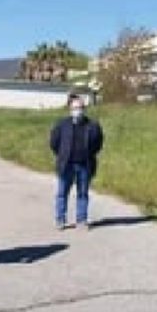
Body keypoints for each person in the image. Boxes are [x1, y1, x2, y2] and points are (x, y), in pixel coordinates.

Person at [49, 94, 104, 230]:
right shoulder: (62, 124)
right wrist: (61, 155)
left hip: (84, 165)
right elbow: (54, 143)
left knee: (83, 193)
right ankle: (60, 219)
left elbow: (98, 144)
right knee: (62, 193)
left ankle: (82, 220)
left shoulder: (92, 125)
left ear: (84, 109)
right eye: (74, 108)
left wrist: (90, 155)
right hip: (67, 164)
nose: (77, 110)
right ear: (70, 109)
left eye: (80, 108)